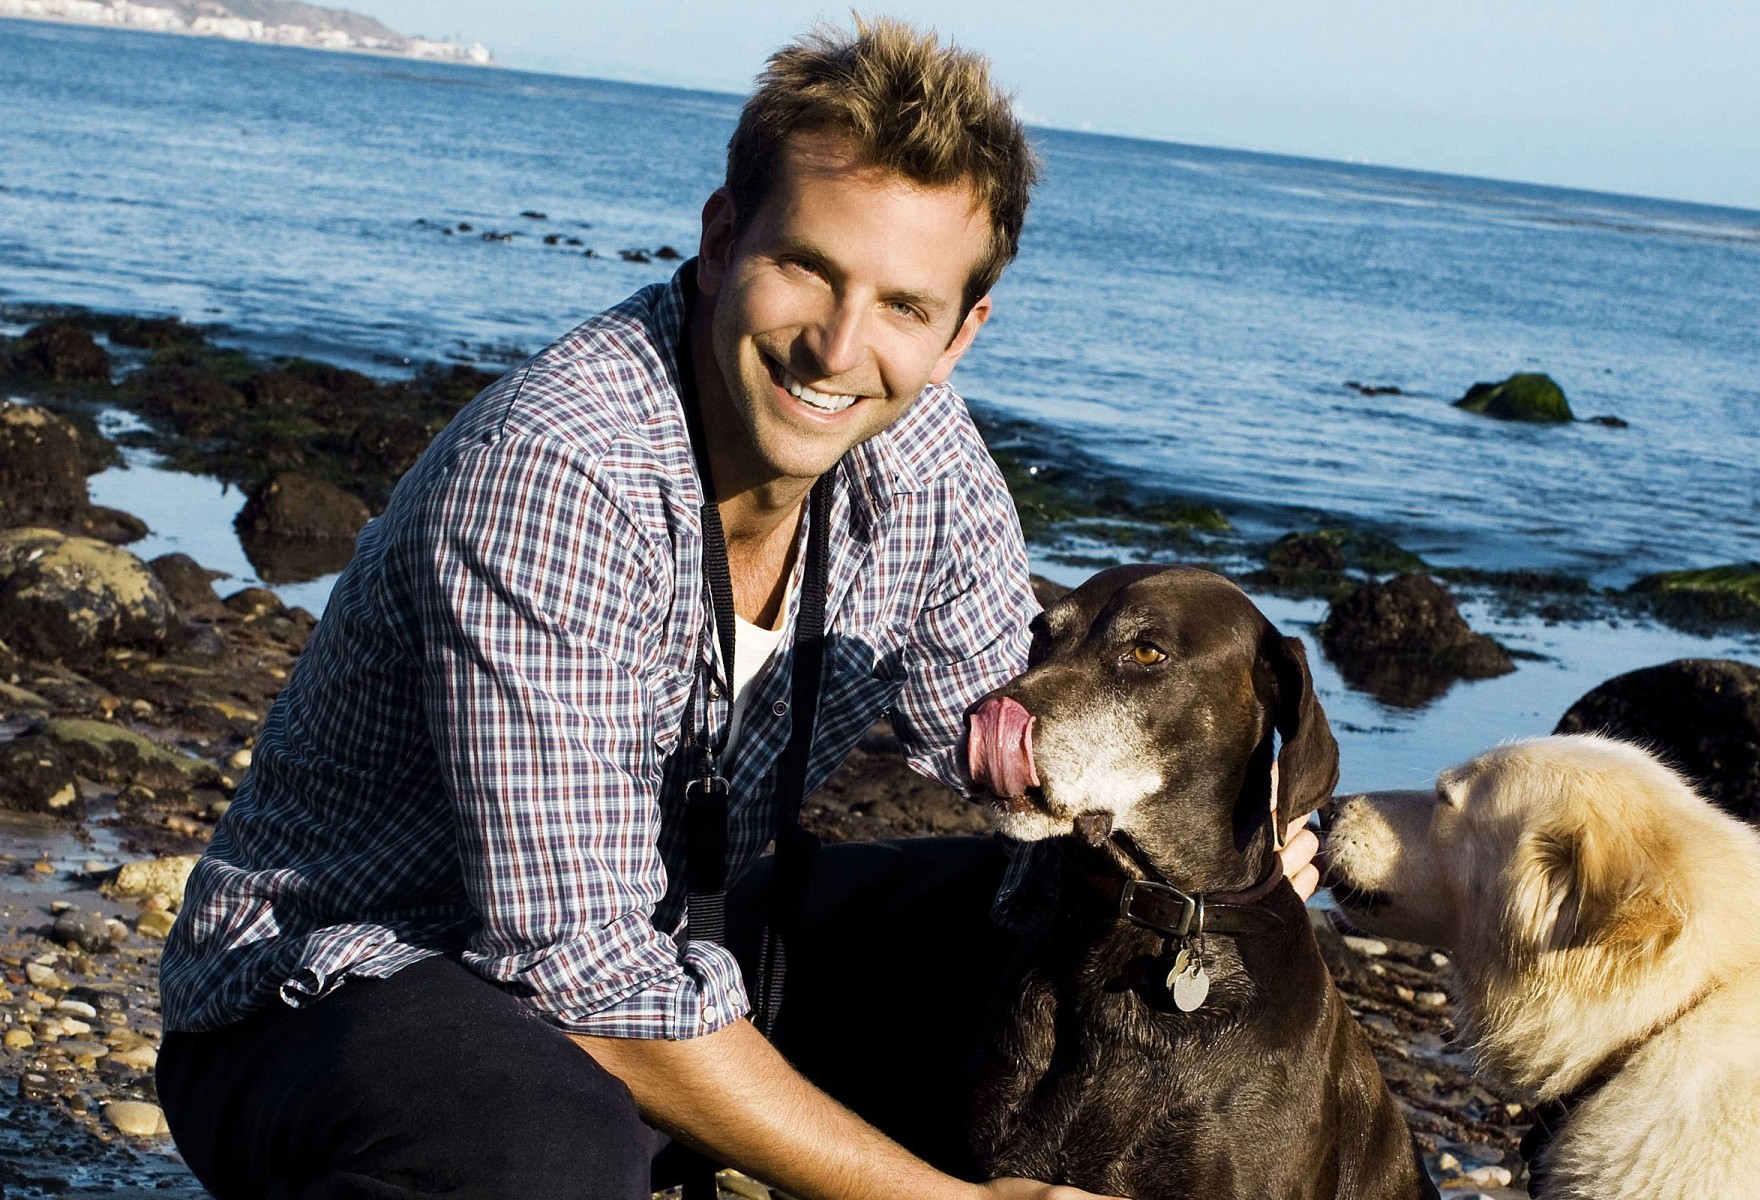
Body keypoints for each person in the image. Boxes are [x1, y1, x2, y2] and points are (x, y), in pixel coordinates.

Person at [155, 18, 1319, 1200]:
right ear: (721, 242)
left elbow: (1000, 735)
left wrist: (1228, 826)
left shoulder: (921, 450)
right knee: (541, 1141)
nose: (837, 348)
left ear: (961, 332)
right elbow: (583, 976)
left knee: (1043, 917)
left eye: (904, 308)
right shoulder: (559, 472)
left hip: (675, 939)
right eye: (808, 268)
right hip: (339, 994)